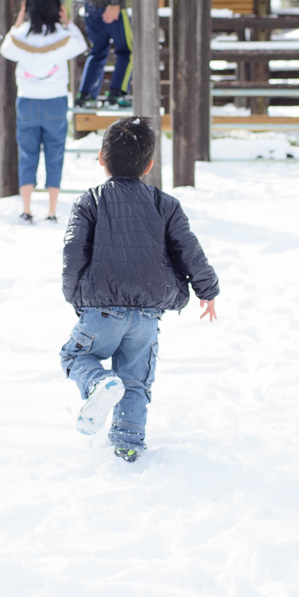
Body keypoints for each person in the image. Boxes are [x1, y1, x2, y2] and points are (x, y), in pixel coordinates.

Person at [60, 117, 219, 461]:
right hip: (148, 314)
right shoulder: (166, 205)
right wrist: (207, 289)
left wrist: (75, 295)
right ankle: (127, 445)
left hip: (101, 308)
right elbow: (188, 249)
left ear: (101, 158)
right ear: (149, 165)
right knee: (134, 379)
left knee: (75, 356)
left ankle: (98, 384)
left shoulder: (91, 201)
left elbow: (74, 253)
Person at [0, 0, 87, 223]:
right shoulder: (62, 35)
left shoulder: (22, 36)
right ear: (56, 9)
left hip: (27, 101)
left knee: (27, 154)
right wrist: (68, 22)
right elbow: (80, 45)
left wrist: (18, 21)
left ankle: (26, 210)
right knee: (54, 153)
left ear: (29, 10)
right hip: (55, 101)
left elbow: (5, 48)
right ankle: (51, 211)